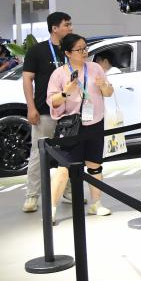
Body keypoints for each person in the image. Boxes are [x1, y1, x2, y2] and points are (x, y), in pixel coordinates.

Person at [46, 33, 115, 221]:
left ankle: (96, 204)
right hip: (71, 126)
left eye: (85, 48)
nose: (84, 52)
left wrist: (104, 86)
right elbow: (52, 101)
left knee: (95, 165)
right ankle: (50, 210)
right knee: (64, 168)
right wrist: (65, 92)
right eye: (79, 49)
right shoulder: (59, 74)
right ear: (68, 53)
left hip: (95, 122)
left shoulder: (95, 68)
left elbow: (109, 92)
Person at [21, 11, 73, 213]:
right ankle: (32, 195)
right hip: (45, 111)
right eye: (66, 25)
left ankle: (68, 191)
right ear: (54, 28)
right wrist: (31, 107)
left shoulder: (72, 50)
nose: (70, 28)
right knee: (38, 154)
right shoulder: (37, 51)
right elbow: (27, 79)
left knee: (68, 153)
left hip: (70, 112)